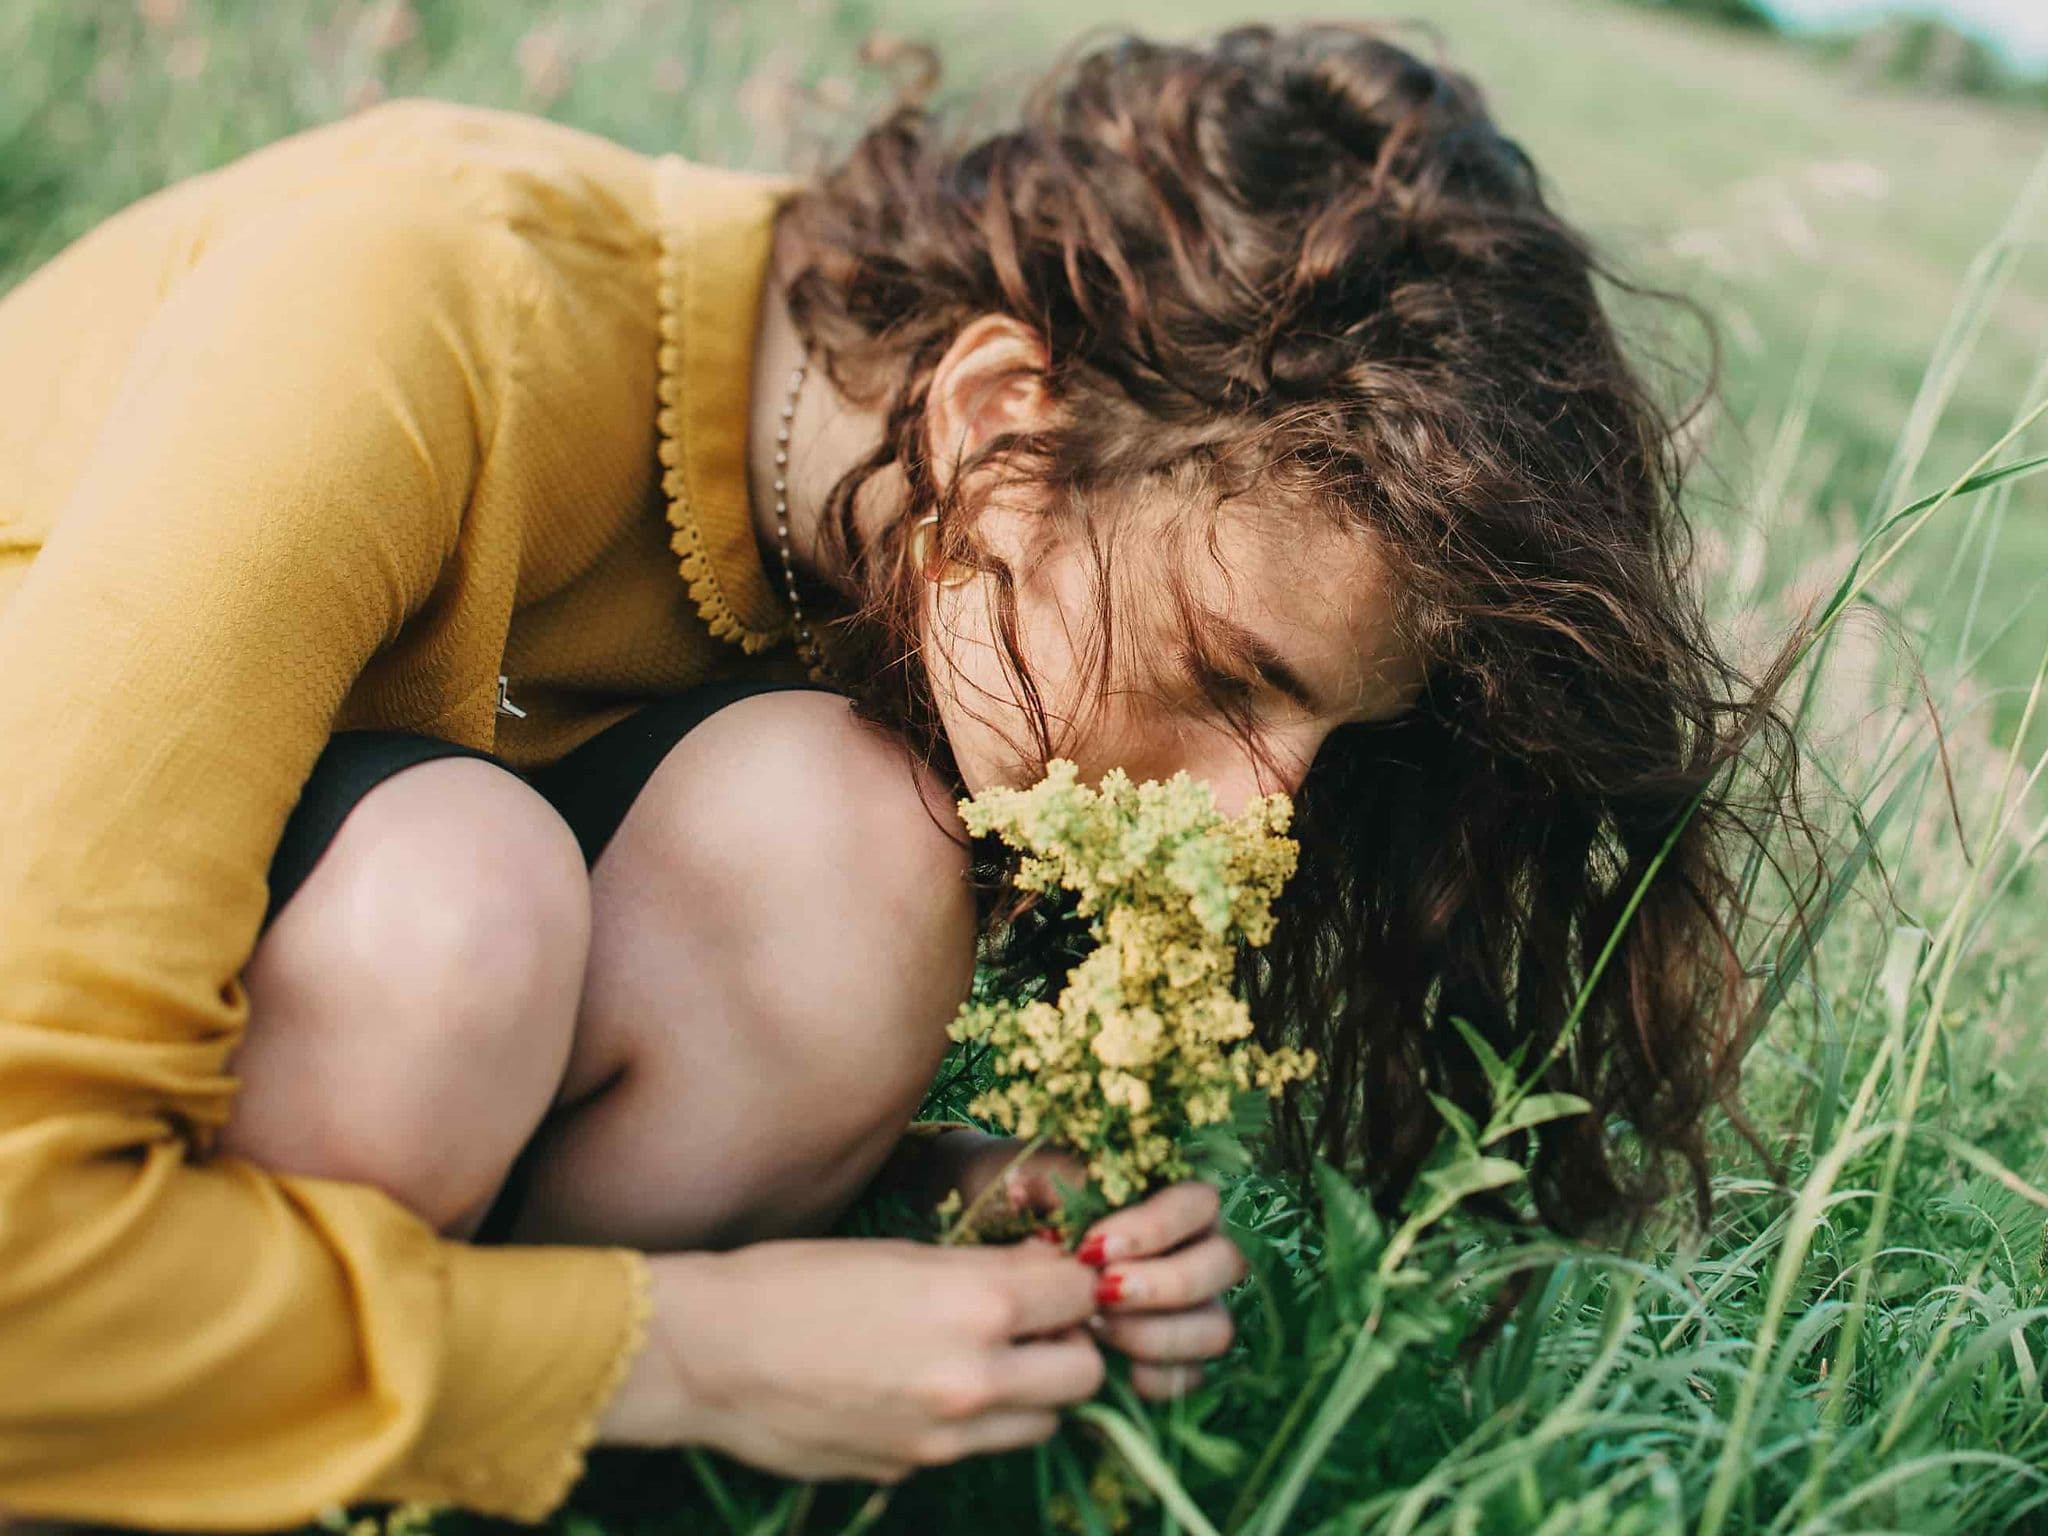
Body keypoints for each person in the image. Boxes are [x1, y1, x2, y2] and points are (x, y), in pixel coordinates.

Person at [0, 19, 1799, 1530]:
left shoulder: (891, 537)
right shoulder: (407, 315)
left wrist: (911, 1196)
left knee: (849, 849)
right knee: (449, 916)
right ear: (999, 424)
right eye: (1235, 674)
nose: (1263, 824)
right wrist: (685, 1348)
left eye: (1328, 746)